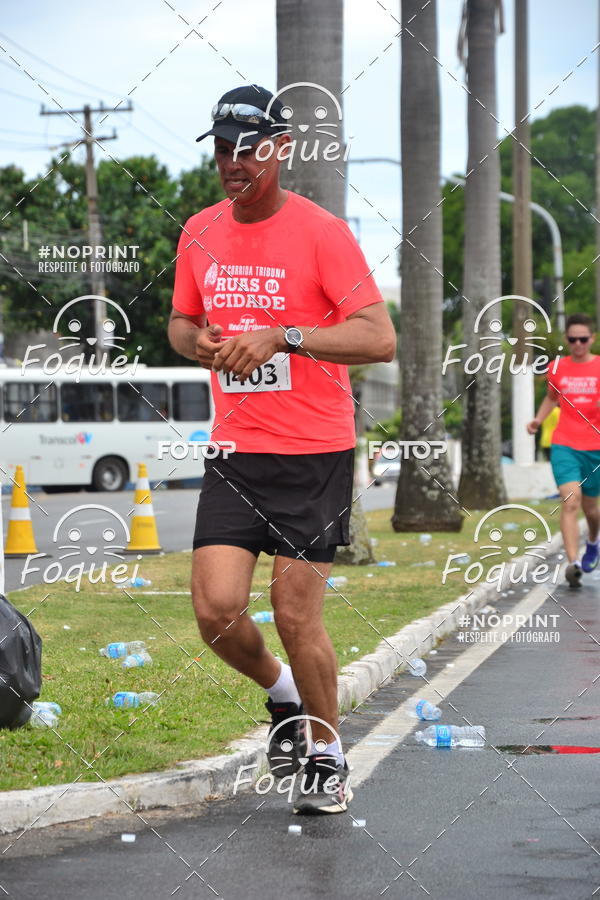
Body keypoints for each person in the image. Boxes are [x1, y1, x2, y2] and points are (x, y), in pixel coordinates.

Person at [168, 85, 396, 814]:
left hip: (313, 452)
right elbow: (178, 323)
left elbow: (378, 336)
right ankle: (285, 693)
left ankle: (327, 756)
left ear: (281, 148)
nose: (234, 163)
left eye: (250, 148)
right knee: (217, 611)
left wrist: (284, 335)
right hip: (236, 450)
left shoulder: (322, 232)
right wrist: (200, 343)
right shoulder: (200, 231)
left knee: (297, 616)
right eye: (224, 150)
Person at [527, 313, 600, 588]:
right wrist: (538, 420)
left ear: (591, 339)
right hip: (565, 444)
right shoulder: (557, 367)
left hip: (596, 448)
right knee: (571, 501)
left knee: (592, 510)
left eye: (583, 339)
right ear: (567, 341)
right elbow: (551, 397)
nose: (578, 344)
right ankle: (573, 564)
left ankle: (593, 541)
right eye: (573, 339)